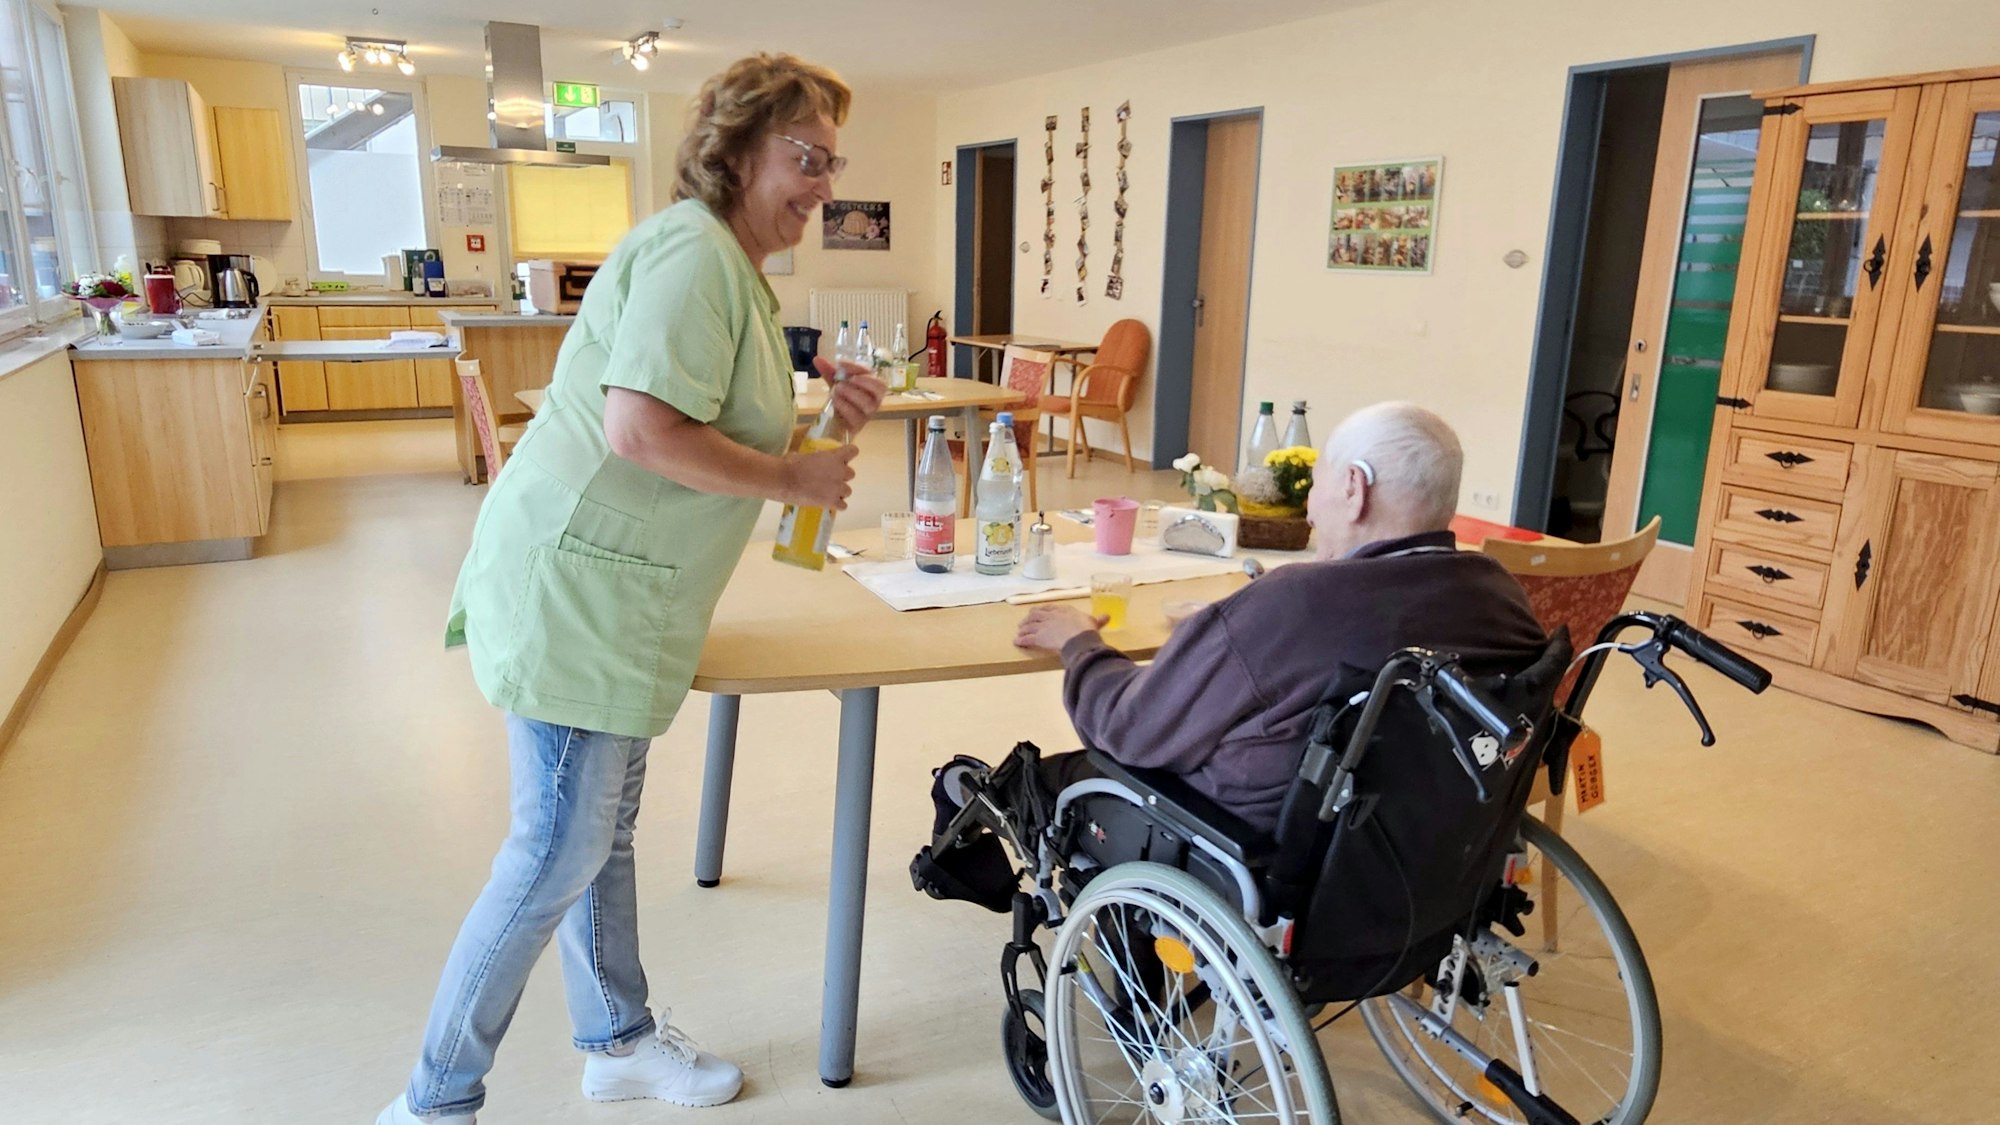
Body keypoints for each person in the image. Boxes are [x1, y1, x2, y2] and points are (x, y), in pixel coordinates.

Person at [380, 54, 885, 1125]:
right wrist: (793, 472)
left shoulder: (735, 270)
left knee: (592, 839)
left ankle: (616, 1043)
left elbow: (705, 430)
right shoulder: (692, 256)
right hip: (579, 594)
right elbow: (641, 429)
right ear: (737, 149)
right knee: (549, 855)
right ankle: (433, 1102)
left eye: (831, 163)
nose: (821, 185)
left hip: (622, 598)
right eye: (806, 157)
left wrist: (822, 435)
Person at [923, 404, 1545, 878]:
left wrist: (1079, 643)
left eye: (1320, 483)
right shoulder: (1501, 595)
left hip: (1253, 846)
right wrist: (1226, 628)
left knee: (1046, 780)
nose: (1310, 509)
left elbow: (1128, 729)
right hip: (1422, 852)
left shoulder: (1295, 603)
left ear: (1353, 488)